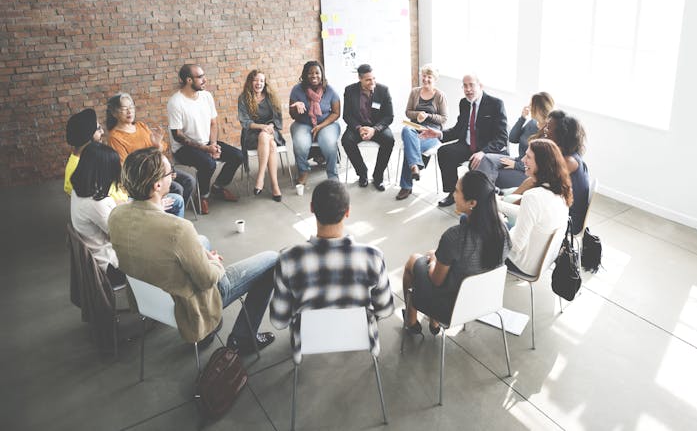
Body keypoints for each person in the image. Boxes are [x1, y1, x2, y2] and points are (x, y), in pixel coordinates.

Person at [109, 147, 277, 353]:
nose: (175, 176)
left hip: (150, 298)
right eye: (171, 173)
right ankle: (243, 338)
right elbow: (207, 280)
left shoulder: (116, 214)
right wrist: (213, 261)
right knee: (273, 260)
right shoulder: (178, 229)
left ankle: (209, 332)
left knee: (202, 240)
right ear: (157, 185)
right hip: (188, 304)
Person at [269, 179, 394, 362]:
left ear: (312, 208)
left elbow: (279, 320)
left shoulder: (288, 259)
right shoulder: (373, 256)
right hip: (359, 337)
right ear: (348, 211)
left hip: (307, 342)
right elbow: (384, 309)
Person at [402, 170, 510, 334]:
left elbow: (436, 280)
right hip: (485, 300)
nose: (453, 194)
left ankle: (411, 320)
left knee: (413, 260)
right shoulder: (503, 230)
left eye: (457, 191)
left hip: (451, 307)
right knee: (439, 257)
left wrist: (433, 261)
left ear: (472, 202)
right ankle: (434, 322)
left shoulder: (455, 237)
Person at [421, 74, 508, 207]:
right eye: (465, 86)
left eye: (471, 85)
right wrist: (438, 134)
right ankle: (453, 192)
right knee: (445, 152)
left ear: (480, 86)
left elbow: (502, 138)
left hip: (486, 149)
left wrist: (483, 152)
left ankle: (477, 200)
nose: (468, 89)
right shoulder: (464, 103)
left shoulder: (495, 104)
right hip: (467, 145)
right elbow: (458, 130)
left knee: (475, 163)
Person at [168, 64, 242, 215]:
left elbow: (213, 123)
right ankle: (203, 196)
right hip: (184, 148)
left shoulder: (206, 96)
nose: (205, 80)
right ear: (189, 80)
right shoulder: (176, 102)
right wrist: (205, 149)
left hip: (207, 142)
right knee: (208, 164)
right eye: (200, 77)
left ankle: (218, 187)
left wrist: (213, 145)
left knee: (238, 156)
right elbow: (178, 135)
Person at [106, 92, 196, 209]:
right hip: (143, 178)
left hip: (159, 168)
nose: (129, 111)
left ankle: (174, 212)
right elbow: (126, 167)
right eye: (124, 108)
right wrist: (162, 175)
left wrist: (157, 145)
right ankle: (161, 214)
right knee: (177, 188)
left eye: (131, 107)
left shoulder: (140, 126)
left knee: (189, 181)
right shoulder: (115, 137)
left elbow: (162, 148)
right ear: (114, 112)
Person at [502, 111, 589, 233]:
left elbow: (538, 189)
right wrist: (510, 199)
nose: (544, 129)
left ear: (561, 133)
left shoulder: (569, 161)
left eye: (548, 127)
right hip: (553, 208)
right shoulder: (562, 153)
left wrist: (506, 206)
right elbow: (534, 181)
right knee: (507, 196)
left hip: (565, 222)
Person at [504, 139, 572, 275]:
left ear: (542, 163)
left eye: (528, 157)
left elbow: (516, 245)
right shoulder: (561, 190)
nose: (523, 160)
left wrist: (499, 223)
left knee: (472, 221)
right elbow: (530, 216)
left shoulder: (532, 197)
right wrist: (499, 205)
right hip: (543, 261)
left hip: (522, 264)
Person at [69, 142, 127, 287]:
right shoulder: (95, 203)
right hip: (110, 267)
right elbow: (121, 237)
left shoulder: (79, 189)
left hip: (97, 254)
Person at [475, 92, 554, 190]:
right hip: (518, 160)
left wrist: (516, 165)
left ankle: (486, 193)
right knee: (487, 159)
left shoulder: (549, 132)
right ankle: (483, 191)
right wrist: (522, 118)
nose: (528, 106)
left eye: (531, 104)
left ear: (538, 108)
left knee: (495, 172)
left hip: (527, 171)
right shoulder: (532, 123)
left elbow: (541, 165)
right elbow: (512, 138)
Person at [395, 64, 448, 200]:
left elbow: (444, 118)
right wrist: (418, 115)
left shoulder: (440, 95)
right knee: (407, 130)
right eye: (424, 76)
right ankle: (415, 165)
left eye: (429, 77)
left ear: (434, 78)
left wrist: (428, 116)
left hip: (432, 131)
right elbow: (408, 112)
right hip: (415, 127)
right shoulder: (414, 92)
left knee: (410, 147)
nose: (425, 79)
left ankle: (406, 185)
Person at [341, 64, 395, 191]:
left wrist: (375, 129)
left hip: (377, 126)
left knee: (389, 140)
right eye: (368, 79)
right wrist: (359, 128)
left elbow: (389, 116)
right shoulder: (350, 90)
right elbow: (347, 115)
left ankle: (378, 176)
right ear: (360, 79)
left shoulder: (383, 90)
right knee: (346, 141)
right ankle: (362, 173)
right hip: (358, 126)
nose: (373, 82)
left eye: (374, 78)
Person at [289, 60, 341, 185]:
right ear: (305, 75)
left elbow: (336, 113)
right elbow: (292, 115)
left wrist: (320, 126)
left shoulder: (329, 90)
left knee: (329, 142)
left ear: (321, 74)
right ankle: (303, 171)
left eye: (317, 73)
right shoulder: (297, 90)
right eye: (310, 73)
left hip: (326, 123)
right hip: (303, 123)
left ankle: (332, 175)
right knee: (300, 143)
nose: (314, 76)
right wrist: (295, 107)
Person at [238, 69, 285, 202]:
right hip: (251, 134)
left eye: (262, 80)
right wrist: (262, 127)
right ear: (250, 82)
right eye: (255, 80)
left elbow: (278, 119)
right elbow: (245, 122)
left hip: (271, 131)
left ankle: (260, 179)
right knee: (269, 142)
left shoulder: (271, 97)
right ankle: (274, 186)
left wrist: (269, 127)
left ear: (265, 83)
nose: (259, 83)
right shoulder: (243, 98)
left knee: (266, 137)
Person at [64, 108, 105, 195]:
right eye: (98, 129)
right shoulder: (77, 169)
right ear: (88, 136)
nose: (103, 132)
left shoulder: (86, 158)